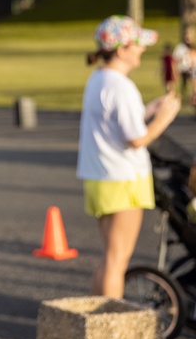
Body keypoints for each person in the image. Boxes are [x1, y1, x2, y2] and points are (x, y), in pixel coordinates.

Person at [77, 15, 181, 298]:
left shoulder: (98, 78)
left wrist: (147, 110)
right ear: (122, 50)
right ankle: (110, 328)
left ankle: (95, 322)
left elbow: (115, 122)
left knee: (109, 256)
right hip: (123, 179)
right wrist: (164, 117)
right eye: (138, 45)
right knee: (117, 259)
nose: (142, 50)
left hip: (101, 178)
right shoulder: (121, 86)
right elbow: (137, 139)